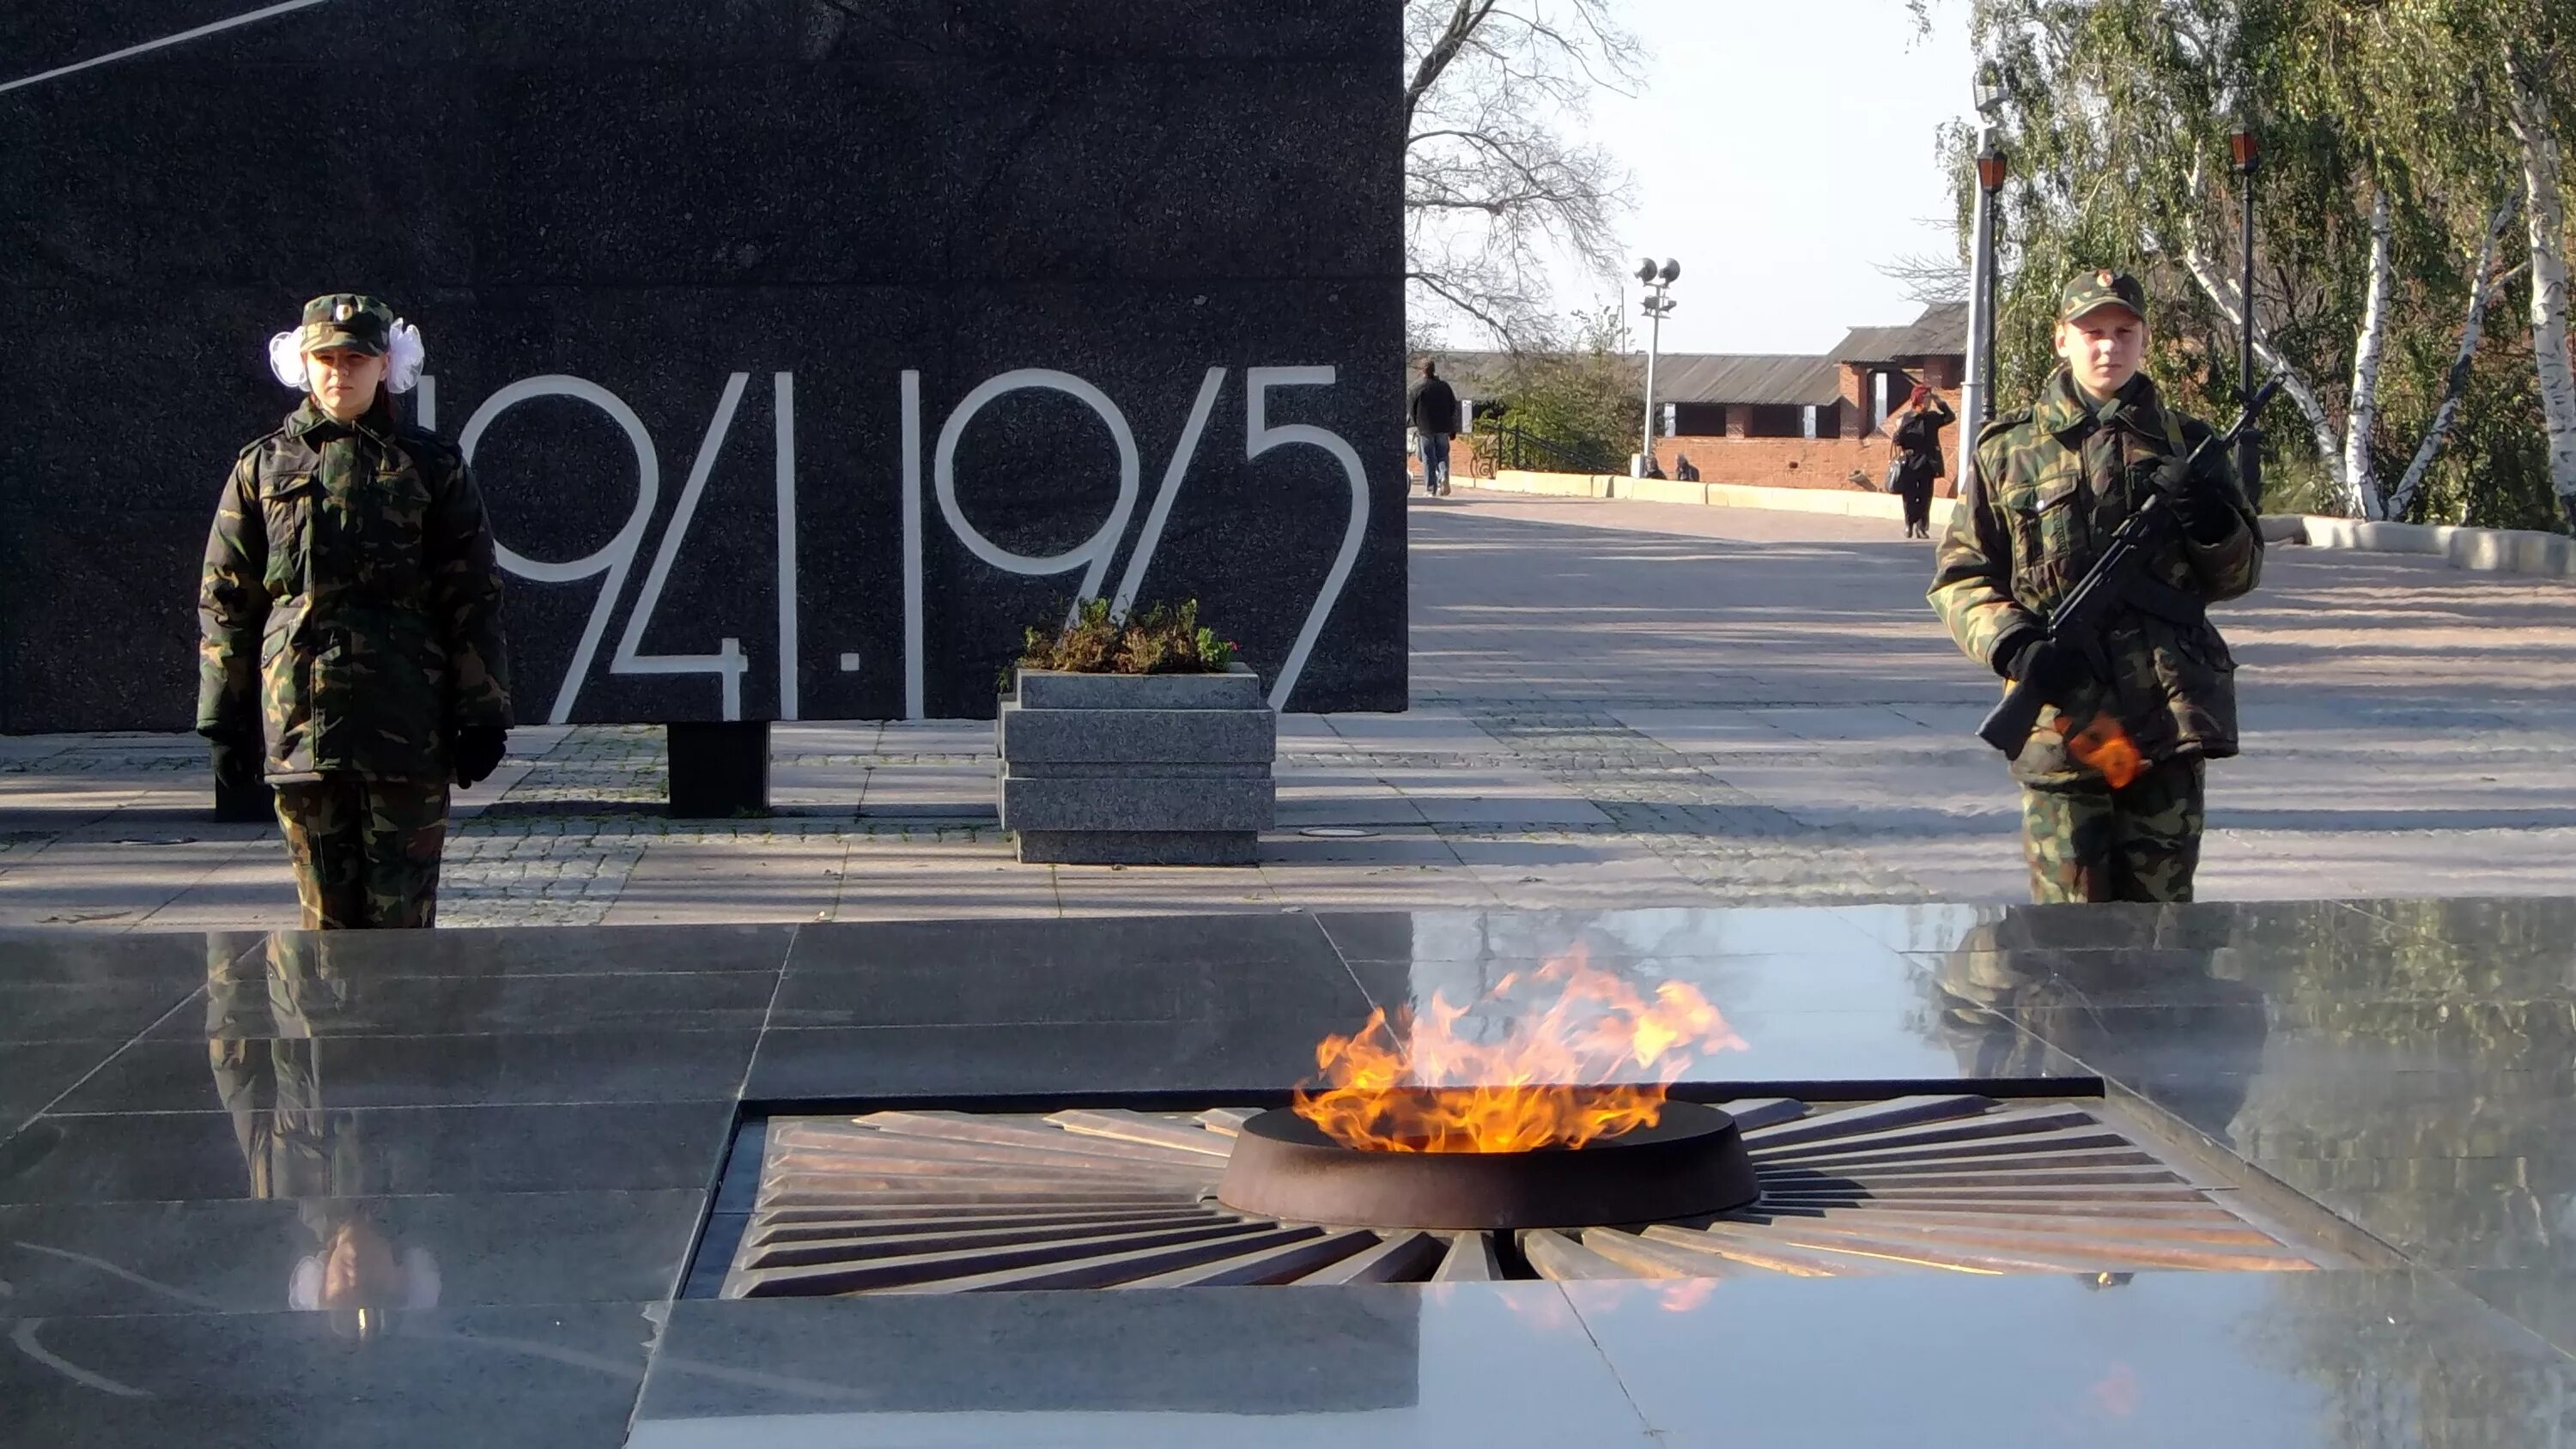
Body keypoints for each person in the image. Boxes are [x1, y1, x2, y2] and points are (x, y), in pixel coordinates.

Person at [1929, 269, 2262, 904]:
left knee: (2165, 931)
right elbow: (1961, 574)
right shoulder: (2010, 452)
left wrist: (2212, 520)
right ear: (2062, 340)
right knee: (2066, 940)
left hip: (2166, 721)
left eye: (2123, 332)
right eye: (2092, 332)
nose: (2108, 347)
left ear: (2144, 340)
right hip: (2067, 723)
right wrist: (2013, 645)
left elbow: (2239, 577)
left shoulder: (2190, 447)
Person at [198, 294, 513, 929]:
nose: (340, 372)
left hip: (406, 725)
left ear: (384, 366)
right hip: (302, 728)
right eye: (326, 358)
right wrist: (224, 719)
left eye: (356, 358)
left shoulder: (431, 464)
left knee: (403, 927)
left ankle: (404, 1032)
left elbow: (471, 592)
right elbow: (229, 597)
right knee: (323, 932)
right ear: (303, 365)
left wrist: (483, 714)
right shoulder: (263, 467)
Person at [1886, 383, 1954, 539]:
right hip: (1910, 463)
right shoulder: (1906, 418)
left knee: (1925, 497)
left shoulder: (1932, 418)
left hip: (1928, 463)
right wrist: (1899, 432)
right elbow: (1898, 441)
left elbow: (1950, 417)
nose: (1929, 402)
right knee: (1910, 496)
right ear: (1918, 400)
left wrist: (1939, 402)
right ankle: (1909, 524)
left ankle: (1922, 527)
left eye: (1930, 399)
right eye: (1926, 398)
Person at [1407, 359, 1459, 496]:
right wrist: (1452, 427)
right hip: (1443, 427)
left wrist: (1417, 424)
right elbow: (1453, 407)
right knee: (1442, 455)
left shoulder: (1415, 388)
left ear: (1422, 370)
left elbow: (1411, 410)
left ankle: (1431, 488)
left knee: (1428, 458)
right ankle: (1443, 476)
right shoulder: (1445, 387)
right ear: (1434, 369)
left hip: (1425, 428)